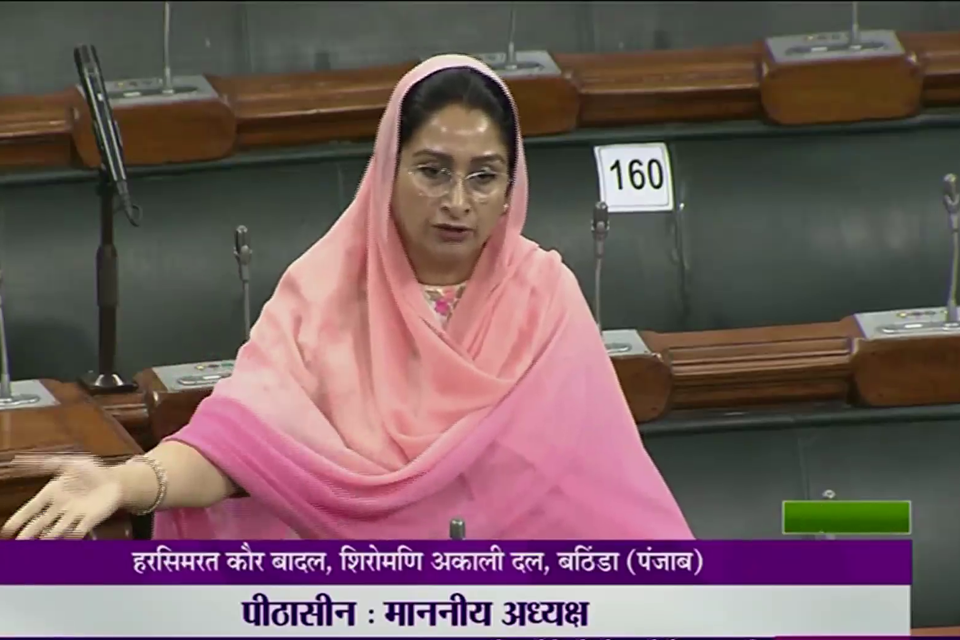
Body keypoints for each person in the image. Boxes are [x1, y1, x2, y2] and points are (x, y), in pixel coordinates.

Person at [2, 54, 692, 540]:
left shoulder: (546, 299)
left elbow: (604, 497)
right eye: (432, 171)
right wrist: (123, 483)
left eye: (484, 176)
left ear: (513, 189)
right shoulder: (323, 295)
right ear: (387, 171)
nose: (457, 201)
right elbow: (237, 445)